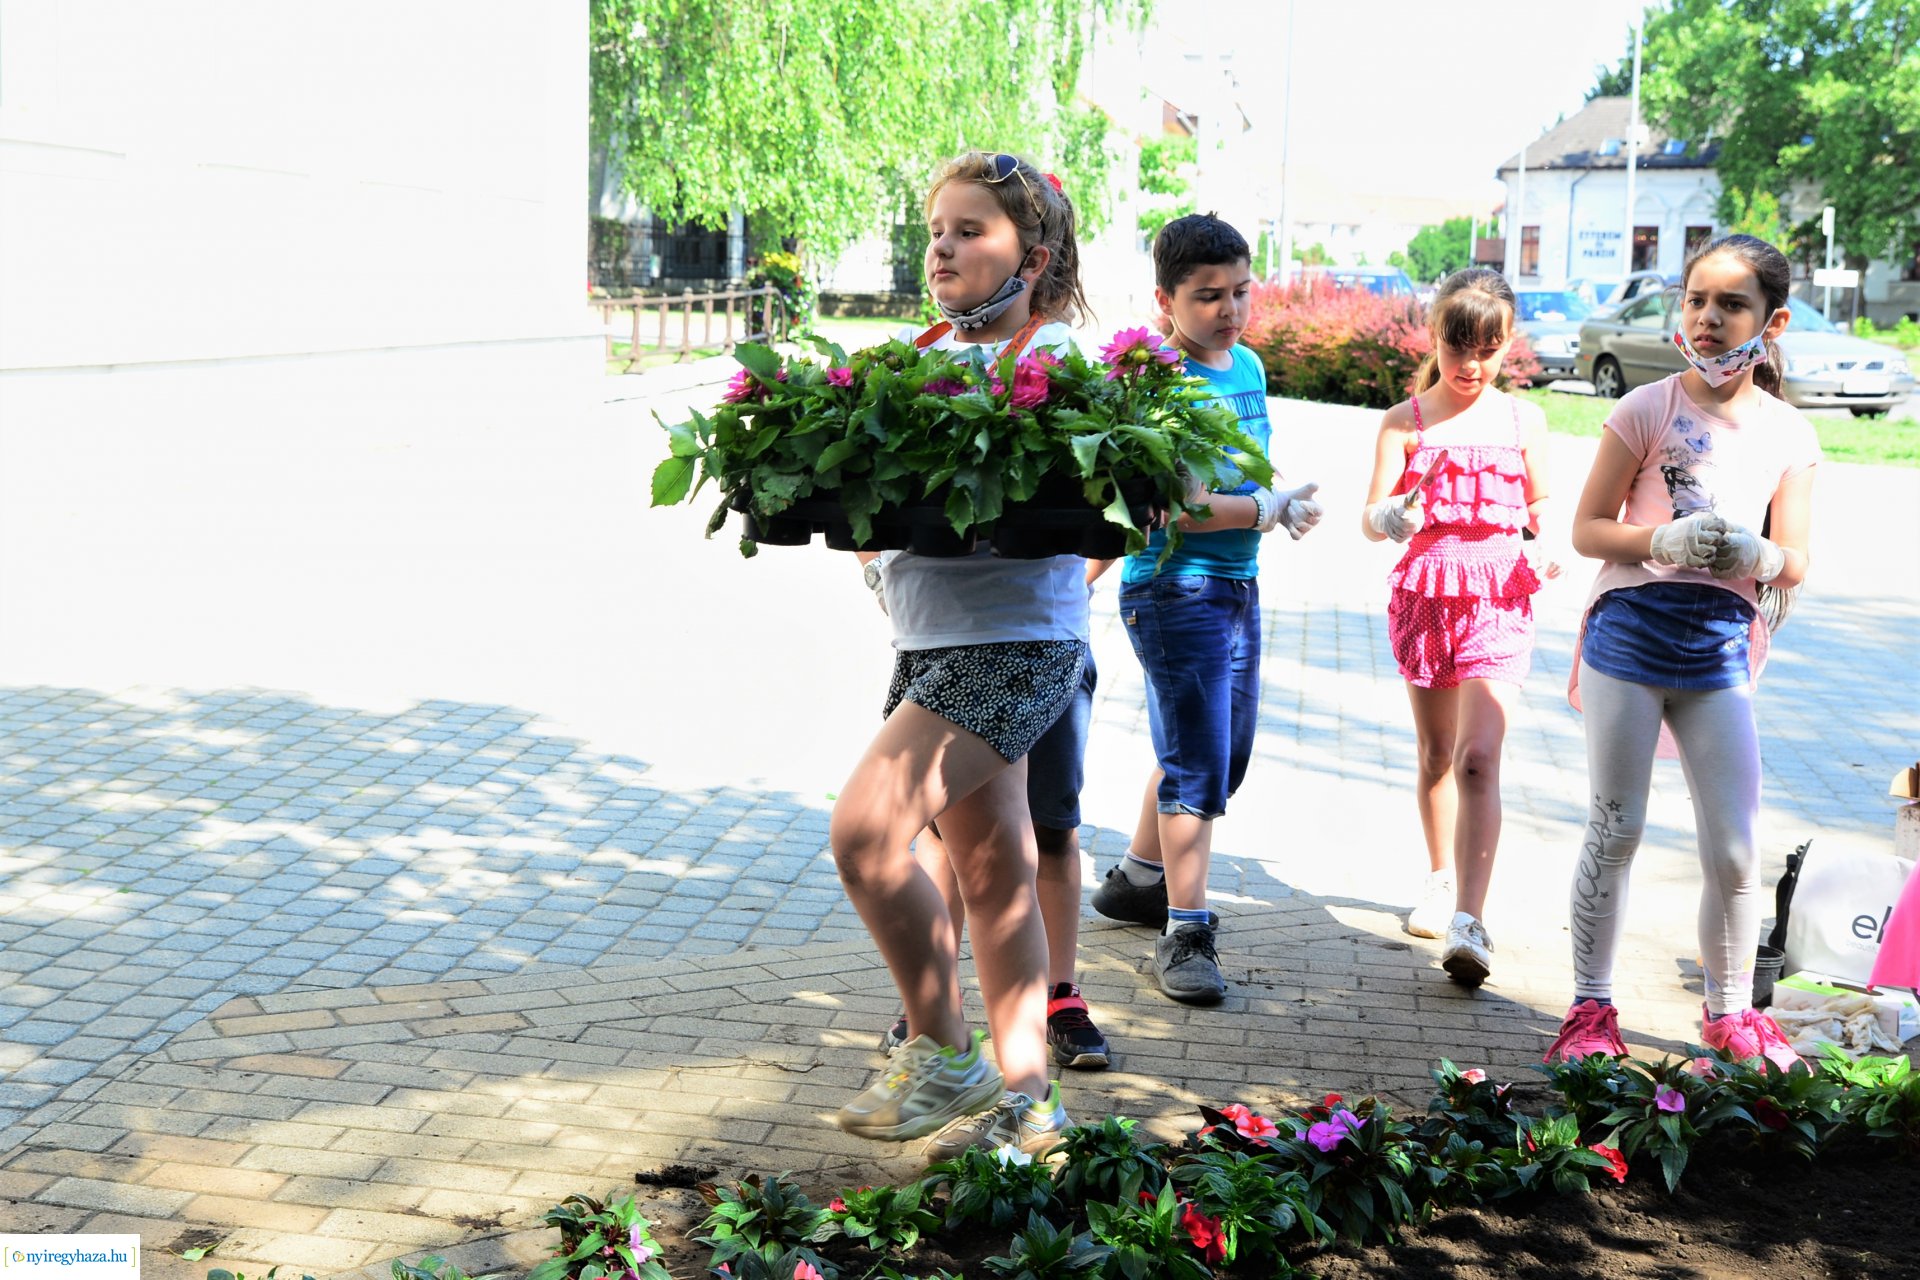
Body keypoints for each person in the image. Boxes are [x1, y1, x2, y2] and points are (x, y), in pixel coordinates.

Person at [830, 150, 1094, 1161]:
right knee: (992, 871)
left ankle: (942, 1052)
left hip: (1016, 643)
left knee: (864, 834)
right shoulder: (916, 354)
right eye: (936, 228)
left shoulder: (1056, 362)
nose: (942, 244)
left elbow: (1078, 510)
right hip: (931, 639)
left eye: (970, 229)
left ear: (1030, 255)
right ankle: (1031, 1110)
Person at [1544, 234, 1819, 1069]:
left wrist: (1762, 558)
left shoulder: (1790, 435)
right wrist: (1660, 535)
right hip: (1628, 638)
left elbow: (1797, 558)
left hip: (1720, 655)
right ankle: (1590, 1010)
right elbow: (1587, 528)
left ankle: (1730, 1015)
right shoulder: (1646, 407)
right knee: (1616, 827)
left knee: (1735, 849)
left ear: (1769, 323)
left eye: (1730, 305)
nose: (1706, 318)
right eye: (1696, 299)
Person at [1089, 213, 1323, 1004]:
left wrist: (1280, 501)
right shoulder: (1156, 381)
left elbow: (1247, 466)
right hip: (1172, 586)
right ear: (1166, 300)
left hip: (1235, 584)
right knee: (1200, 761)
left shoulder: (1247, 366)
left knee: (1217, 751)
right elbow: (1179, 508)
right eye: (1208, 297)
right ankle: (1185, 931)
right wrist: (1264, 508)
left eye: (1241, 292)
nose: (1230, 310)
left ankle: (1135, 880)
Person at [1358, 268, 1561, 987]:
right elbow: (1371, 516)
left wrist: (1547, 545)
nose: (1470, 363)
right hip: (1427, 593)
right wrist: (1390, 517)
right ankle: (1440, 876)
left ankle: (1471, 921)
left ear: (1509, 346)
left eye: (1488, 347)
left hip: (1500, 595)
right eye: (1457, 344)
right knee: (1438, 754)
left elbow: (1543, 506)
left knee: (1480, 757)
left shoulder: (1521, 422)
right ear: (1435, 337)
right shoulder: (1404, 420)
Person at [863, 557, 1113, 1071]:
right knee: (945, 838)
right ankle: (941, 1013)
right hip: (931, 643)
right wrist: (877, 571)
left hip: (1035, 641)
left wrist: (1071, 583)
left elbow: (1135, 504)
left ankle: (1056, 998)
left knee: (1049, 829)